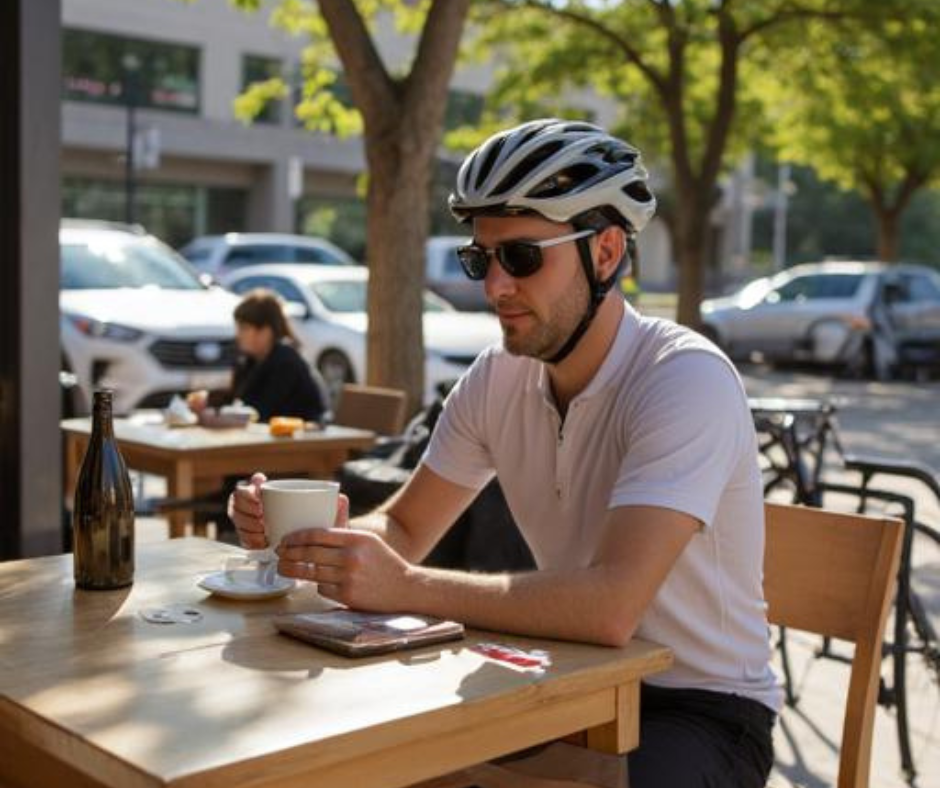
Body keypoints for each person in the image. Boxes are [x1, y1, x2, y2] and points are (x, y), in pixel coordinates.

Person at [229, 119, 780, 787]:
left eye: (520, 257)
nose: (494, 286)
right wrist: (312, 539)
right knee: (363, 763)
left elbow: (611, 605)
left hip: (700, 709)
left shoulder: (683, 378)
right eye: (479, 259)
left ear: (606, 252)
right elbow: (404, 528)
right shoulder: (499, 376)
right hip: (565, 679)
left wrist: (405, 586)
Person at [192, 289, 326, 423]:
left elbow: (259, 413)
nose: (238, 335)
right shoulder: (249, 360)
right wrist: (208, 401)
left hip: (302, 440)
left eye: (244, 328)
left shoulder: (286, 362)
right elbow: (235, 401)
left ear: (265, 332)